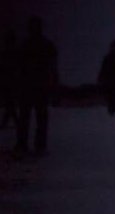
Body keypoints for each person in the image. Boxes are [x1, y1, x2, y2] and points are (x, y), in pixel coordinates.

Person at [14, 16, 57, 158]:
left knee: (27, 117)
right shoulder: (46, 45)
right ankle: (38, 145)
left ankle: (24, 144)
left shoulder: (25, 45)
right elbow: (53, 68)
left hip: (30, 86)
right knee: (39, 117)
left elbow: (18, 68)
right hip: (38, 86)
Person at [98, 40, 115, 116]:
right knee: (109, 96)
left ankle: (113, 108)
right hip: (108, 81)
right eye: (112, 47)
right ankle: (111, 108)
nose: (113, 48)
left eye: (114, 47)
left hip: (114, 82)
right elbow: (103, 68)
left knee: (113, 96)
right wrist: (101, 78)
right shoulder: (107, 58)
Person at [0, 31, 16, 130]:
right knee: (10, 104)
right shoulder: (13, 54)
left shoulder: (6, 55)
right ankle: (14, 122)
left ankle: (8, 122)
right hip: (9, 82)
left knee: (9, 104)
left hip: (9, 82)